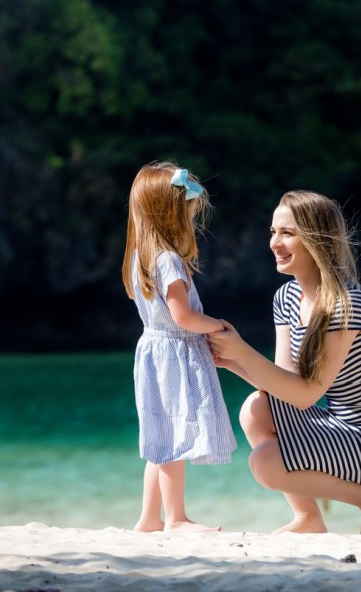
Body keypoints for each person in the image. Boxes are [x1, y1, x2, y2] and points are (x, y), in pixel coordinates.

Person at [208, 190, 361, 535]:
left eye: (287, 233)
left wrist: (242, 351)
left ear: (316, 239)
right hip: (344, 430)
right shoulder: (287, 297)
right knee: (255, 409)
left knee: (265, 463)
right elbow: (283, 384)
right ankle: (308, 518)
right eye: (272, 232)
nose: (274, 243)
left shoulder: (346, 304)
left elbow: (306, 395)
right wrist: (229, 361)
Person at [123, 162, 237, 532]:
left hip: (153, 352)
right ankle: (176, 518)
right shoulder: (168, 260)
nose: (193, 215)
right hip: (175, 354)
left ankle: (148, 519)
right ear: (173, 213)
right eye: (189, 208)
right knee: (175, 438)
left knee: (161, 436)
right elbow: (183, 317)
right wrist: (218, 326)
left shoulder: (140, 256)